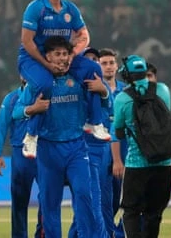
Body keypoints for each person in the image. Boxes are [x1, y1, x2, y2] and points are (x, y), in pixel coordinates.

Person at [18, 0, 110, 159]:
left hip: (62, 57)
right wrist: (47, 64)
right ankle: (32, 135)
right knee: (45, 84)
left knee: (93, 69)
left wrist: (71, 56)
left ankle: (94, 122)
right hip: (33, 58)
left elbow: (84, 35)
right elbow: (27, 42)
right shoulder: (36, 8)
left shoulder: (70, 9)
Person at [14, 36, 98, 238]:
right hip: (48, 149)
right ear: (47, 57)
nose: (63, 58)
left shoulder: (79, 79)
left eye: (66, 54)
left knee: (84, 194)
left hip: (76, 147)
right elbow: (15, 113)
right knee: (50, 204)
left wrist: (103, 93)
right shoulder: (38, 84)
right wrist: (33, 108)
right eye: (57, 54)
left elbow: (100, 106)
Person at [113, 55, 171, 238]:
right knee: (153, 214)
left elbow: (119, 131)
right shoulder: (163, 90)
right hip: (163, 165)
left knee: (131, 212)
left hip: (137, 166)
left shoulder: (122, 98)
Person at [0, 77, 44, 238]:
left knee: (47, 199)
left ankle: (42, 234)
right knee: (19, 202)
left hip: (44, 152)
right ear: (21, 75)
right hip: (20, 154)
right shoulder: (12, 98)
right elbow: (1, 128)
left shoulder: (47, 95)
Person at [68, 47, 110, 238]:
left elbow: (110, 106)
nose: (93, 62)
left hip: (101, 147)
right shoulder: (74, 85)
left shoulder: (104, 87)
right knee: (91, 200)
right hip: (81, 146)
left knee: (92, 200)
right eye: (89, 59)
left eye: (96, 59)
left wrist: (104, 92)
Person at [98, 48, 127, 237]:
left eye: (111, 63)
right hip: (100, 149)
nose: (108, 67)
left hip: (123, 149)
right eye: (104, 63)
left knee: (117, 200)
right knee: (102, 201)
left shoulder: (126, 91)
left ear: (117, 66)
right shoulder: (94, 88)